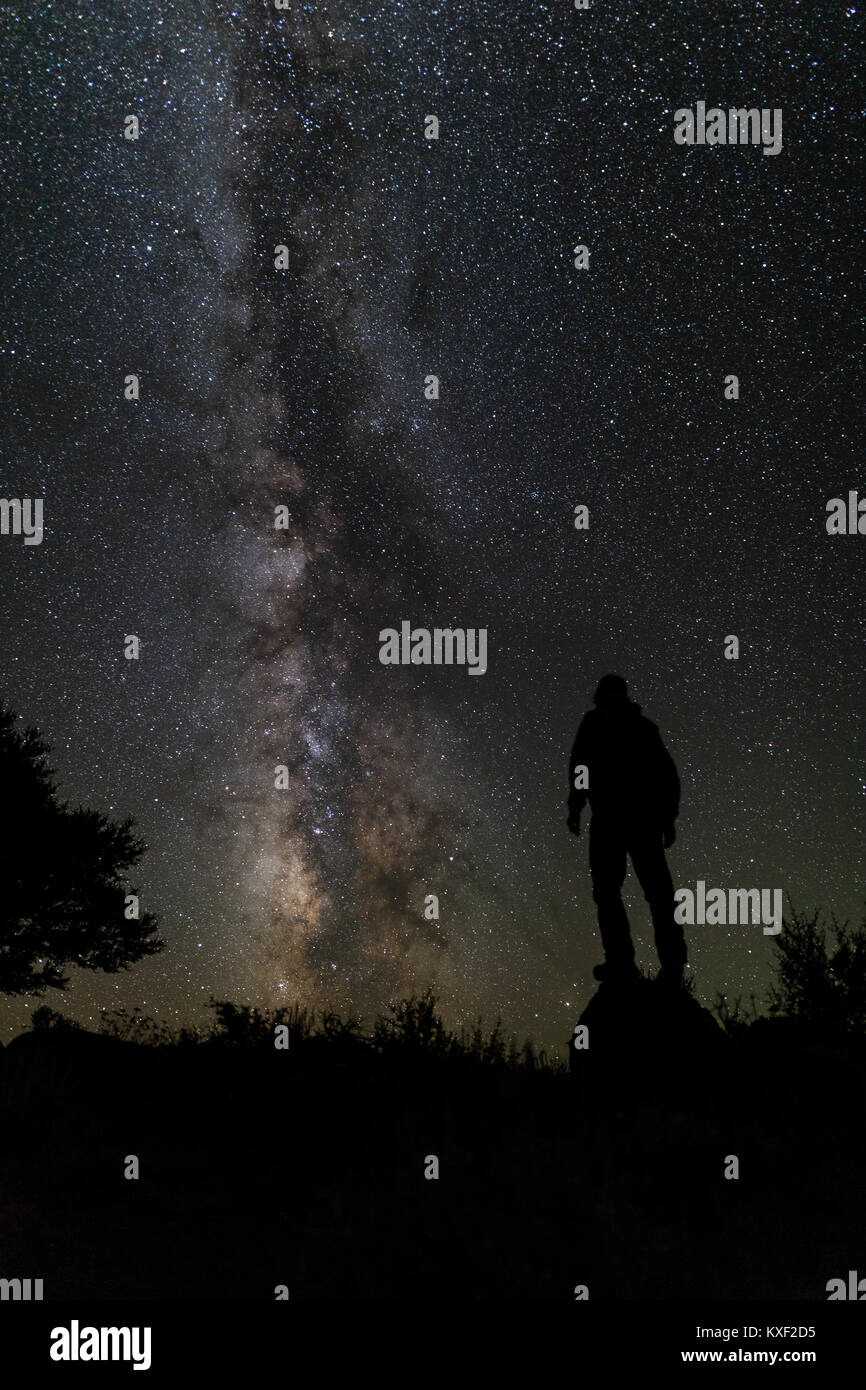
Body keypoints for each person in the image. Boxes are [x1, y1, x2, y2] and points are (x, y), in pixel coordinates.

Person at [567, 674, 688, 986]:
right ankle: (664, 967)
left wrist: (576, 805)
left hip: (617, 818)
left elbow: (580, 767)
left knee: (615, 893)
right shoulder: (643, 728)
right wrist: (667, 818)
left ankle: (624, 963)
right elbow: (667, 775)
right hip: (639, 820)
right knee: (655, 895)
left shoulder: (599, 723)